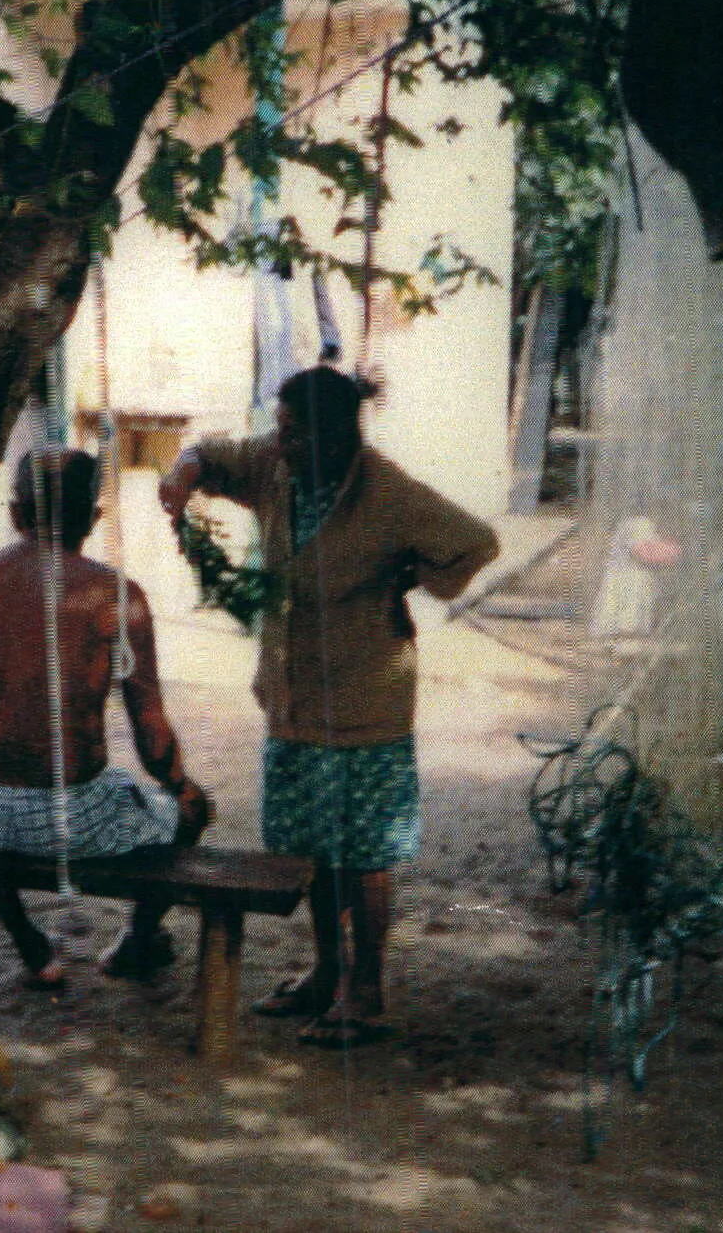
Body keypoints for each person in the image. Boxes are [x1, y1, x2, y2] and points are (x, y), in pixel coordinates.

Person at [159, 367, 498, 1046]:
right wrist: (183, 471)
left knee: (362, 854)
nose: (278, 445)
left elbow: (475, 542)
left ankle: (365, 992)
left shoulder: (389, 493)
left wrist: (414, 576)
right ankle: (324, 972)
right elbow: (214, 454)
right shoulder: (275, 467)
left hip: (365, 701)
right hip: (292, 701)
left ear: (336, 436)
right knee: (312, 849)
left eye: (293, 435)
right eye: (278, 430)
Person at [0, 447, 214, 990]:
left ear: (15, 514)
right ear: (92, 519)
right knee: (191, 812)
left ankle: (29, 942)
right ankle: (137, 940)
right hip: (73, 819)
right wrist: (184, 790)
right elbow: (153, 740)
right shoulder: (116, 596)